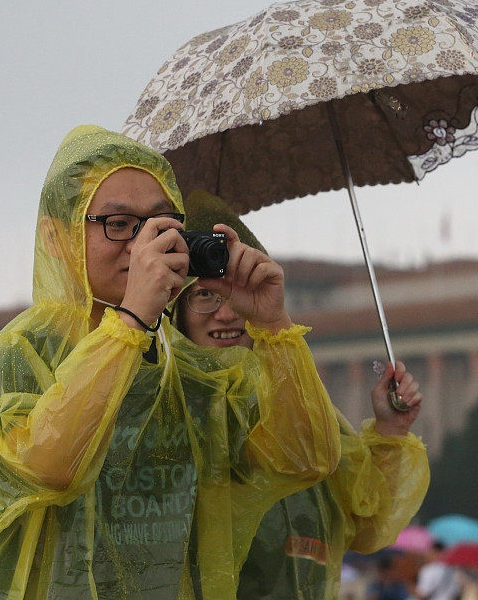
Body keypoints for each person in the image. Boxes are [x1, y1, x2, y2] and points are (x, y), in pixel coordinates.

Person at [0, 126, 342, 600]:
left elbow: (306, 459)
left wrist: (274, 327)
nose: (141, 245)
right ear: (55, 236)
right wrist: (130, 321)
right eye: (118, 224)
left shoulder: (189, 367)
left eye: (159, 225)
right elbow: (52, 467)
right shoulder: (17, 357)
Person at [171, 190, 431, 600]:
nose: (226, 312)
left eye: (238, 291)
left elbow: (365, 524)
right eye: (205, 294)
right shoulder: (164, 407)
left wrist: (390, 430)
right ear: (175, 311)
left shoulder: (299, 401)